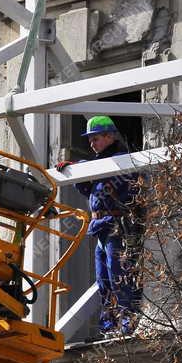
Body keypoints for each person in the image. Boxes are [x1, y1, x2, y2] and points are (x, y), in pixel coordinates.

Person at [56, 115, 143, 337]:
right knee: (103, 278)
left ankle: (127, 321)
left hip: (117, 226)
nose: (91, 144)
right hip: (102, 226)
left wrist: (87, 167)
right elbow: (89, 191)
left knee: (119, 274)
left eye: (96, 138)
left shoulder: (122, 160)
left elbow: (124, 190)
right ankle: (109, 325)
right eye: (90, 139)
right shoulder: (101, 162)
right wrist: (78, 171)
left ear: (110, 136)